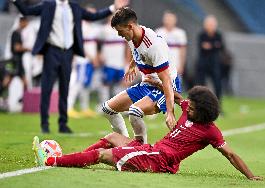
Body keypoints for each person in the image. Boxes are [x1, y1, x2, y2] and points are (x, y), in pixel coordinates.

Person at [32, 85, 262, 180]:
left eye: (191, 108)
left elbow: (230, 154)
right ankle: (76, 160)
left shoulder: (210, 131)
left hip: (159, 161)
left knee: (103, 155)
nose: (187, 107)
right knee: (111, 138)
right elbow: (174, 93)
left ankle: (53, 160)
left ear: (203, 112)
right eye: (188, 104)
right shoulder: (187, 107)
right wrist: (155, 78)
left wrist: (251, 176)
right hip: (151, 150)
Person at [12, 0, 129, 133]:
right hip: (52, 51)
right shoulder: (48, 5)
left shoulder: (74, 7)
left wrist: (113, 7)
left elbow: (93, 16)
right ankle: (44, 124)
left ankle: (63, 124)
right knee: (47, 88)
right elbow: (27, 11)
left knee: (65, 88)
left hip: (68, 52)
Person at [101, 7, 180, 144]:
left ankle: (141, 152)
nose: (120, 35)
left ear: (130, 26)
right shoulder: (133, 34)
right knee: (107, 109)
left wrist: (170, 112)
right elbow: (137, 50)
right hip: (147, 84)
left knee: (134, 112)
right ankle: (123, 145)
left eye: (120, 31)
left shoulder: (153, 46)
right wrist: (133, 64)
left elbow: (166, 80)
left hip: (162, 87)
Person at [96, 16, 128, 112]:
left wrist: (127, 60)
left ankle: (119, 106)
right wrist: (99, 55)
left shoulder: (123, 29)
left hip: (120, 63)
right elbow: (98, 45)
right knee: (105, 83)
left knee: (120, 84)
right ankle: (104, 105)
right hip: (108, 63)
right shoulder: (104, 30)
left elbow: (127, 45)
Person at [195, 15, 223, 101]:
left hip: (214, 62)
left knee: (217, 83)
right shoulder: (201, 35)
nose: (211, 26)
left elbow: (221, 47)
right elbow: (202, 47)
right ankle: (199, 103)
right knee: (200, 85)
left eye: (212, 24)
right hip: (203, 62)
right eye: (209, 24)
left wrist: (210, 46)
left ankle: (218, 105)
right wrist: (214, 46)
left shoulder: (218, 35)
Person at [155, 11, 187, 80]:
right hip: (162, 64)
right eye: (167, 18)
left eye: (170, 19)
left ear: (175, 20)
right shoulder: (158, 32)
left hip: (175, 64)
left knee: (175, 86)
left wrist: (181, 65)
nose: (168, 21)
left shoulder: (180, 33)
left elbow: (183, 51)